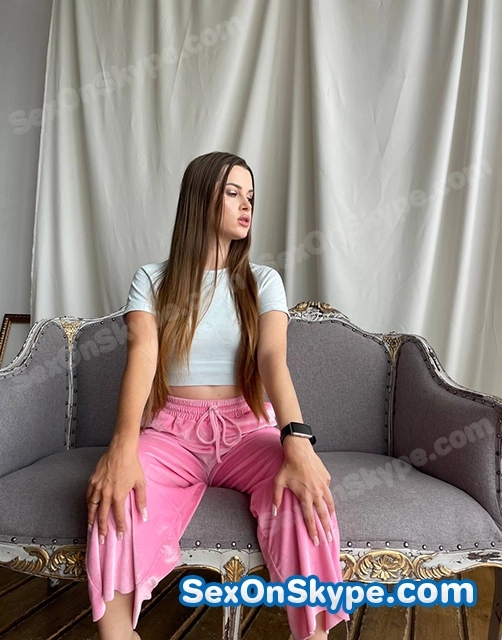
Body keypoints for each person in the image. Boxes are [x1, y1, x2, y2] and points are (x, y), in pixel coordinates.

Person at [85, 151, 350, 640]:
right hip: (170, 433)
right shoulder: (151, 280)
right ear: (200, 199)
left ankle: (314, 636)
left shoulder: (263, 281)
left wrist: (297, 440)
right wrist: (122, 447)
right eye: (233, 193)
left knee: (305, 495)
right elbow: (142, 357)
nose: (246, 205)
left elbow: (272, 359)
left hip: (248, 429)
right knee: (116, 497)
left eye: (250, 196)